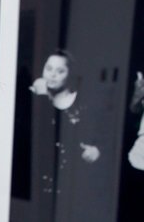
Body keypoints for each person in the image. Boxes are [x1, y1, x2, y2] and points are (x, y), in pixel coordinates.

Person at [28, 50, 100, 198]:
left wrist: (95, 150)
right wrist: (41, 96)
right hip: (39, 175)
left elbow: (95, 137)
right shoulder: (35, 97)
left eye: (60, 71)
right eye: (48, 69)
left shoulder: (83, 102)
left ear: (70, 73)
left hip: (72, 178)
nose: (52, 75)